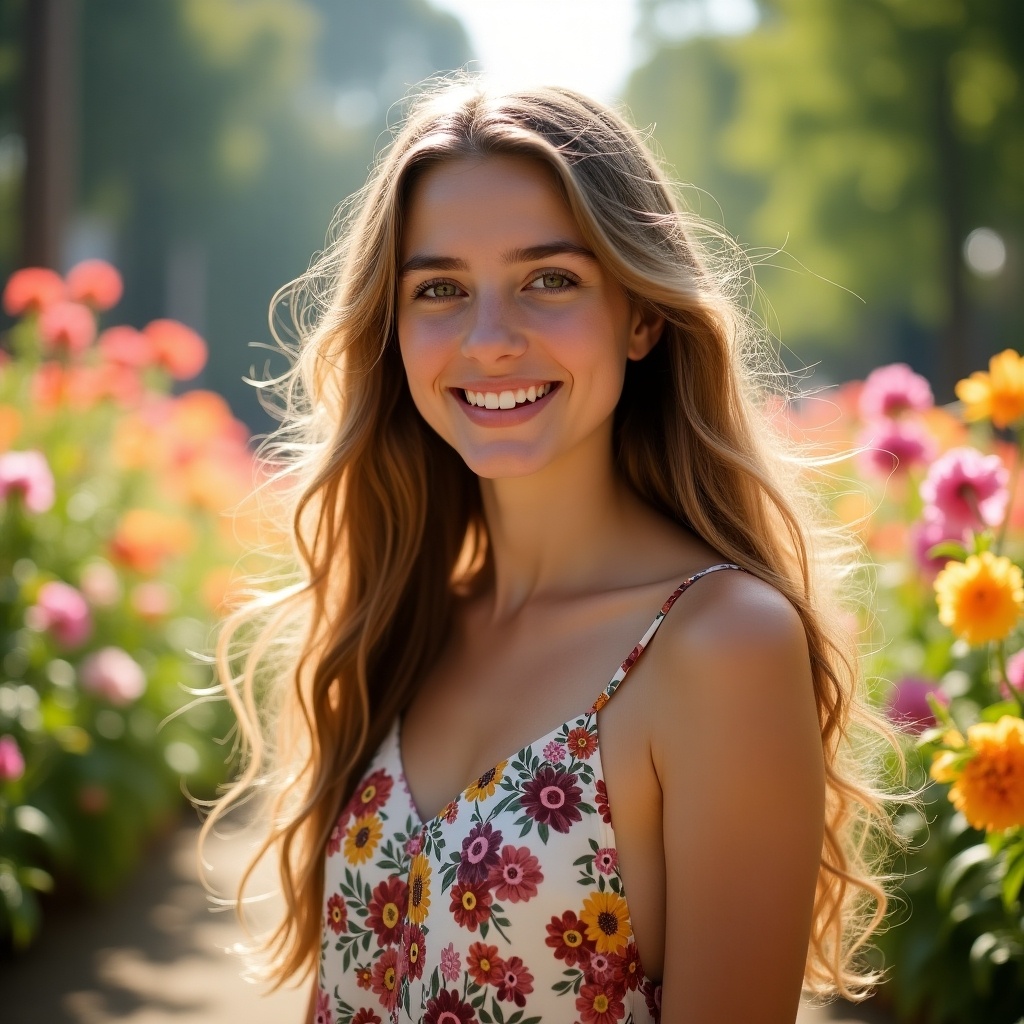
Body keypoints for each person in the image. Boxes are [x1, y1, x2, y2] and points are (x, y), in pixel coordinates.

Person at [204, 79, 898, 1023]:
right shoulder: (404, 624)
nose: (490, 340)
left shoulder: (720, 647)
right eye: (439, 289)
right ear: (396, 330)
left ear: (643, 316)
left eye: (550, 280)